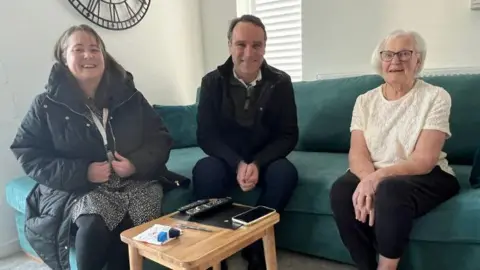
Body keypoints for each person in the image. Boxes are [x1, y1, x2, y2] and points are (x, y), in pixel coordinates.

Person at [10, 24, 174, 270]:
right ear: (65, 59)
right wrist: (82, 172)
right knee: (93, 223)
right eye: (79, 49)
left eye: (94, 49)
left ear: (104, 57)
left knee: (132, 227)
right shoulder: (46, 104)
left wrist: (135, 164)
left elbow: (160, 138)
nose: (88, 55)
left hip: (136, 181)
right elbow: (26, 151)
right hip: (81, 187)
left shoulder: (131, 97)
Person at [329, 29, 461, 270]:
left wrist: (377, 178)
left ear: (418, 60)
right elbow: (357, 153)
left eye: (404, 53)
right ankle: (366, 265)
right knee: (341, 191)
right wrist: (368, 179)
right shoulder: (364, 101)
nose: (395, 61)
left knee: (389, 189)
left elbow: (424, 159)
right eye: (388, 54)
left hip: (425, 174)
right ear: (381, 61)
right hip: (376, 171)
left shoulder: (436, 96)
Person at [192, 14, 299, 270]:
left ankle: (255, 246)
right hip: (226, 160)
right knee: (204, 171)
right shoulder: (211, 83)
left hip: (266, 160)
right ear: (230, 45)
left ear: (265, 46)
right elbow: (206, 135)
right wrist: (237, 163)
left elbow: (288, 134)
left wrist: (258, 163)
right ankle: (217, 253)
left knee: (286, 174)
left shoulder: (281, 82)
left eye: (257, 45)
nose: (248, 53)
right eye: (241, 44)